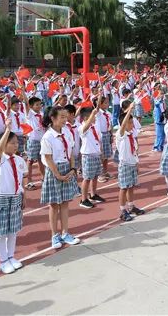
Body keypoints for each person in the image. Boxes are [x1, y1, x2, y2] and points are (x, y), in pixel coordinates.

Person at [40, 106, 81, 248]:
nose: (65, 119)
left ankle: (65, 233)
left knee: (65, 203)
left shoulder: (67, 132)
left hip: (67, 168)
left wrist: (72, 168)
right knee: (54, 205)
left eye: (66, 116)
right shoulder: (47, 137)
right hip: (54, 171)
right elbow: (48, 158)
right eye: (62, 117)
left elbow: (70, 153)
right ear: (53, 118)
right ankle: (54, 236)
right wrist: (58, 175)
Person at [0, 126, 27, 275]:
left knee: (13, 230)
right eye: (12, 143)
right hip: (2, 198)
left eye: (17, 142)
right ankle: (3, 260)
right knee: (2, 231)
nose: (16, 145)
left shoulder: (19, 159)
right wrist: (7, 130)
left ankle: (11, 256)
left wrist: (23, 195)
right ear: (3, 144)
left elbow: (21, 180)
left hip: (15, 197)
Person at [114, 100, 146, 221]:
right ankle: (123, 210)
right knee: (124, 187)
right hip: (125, 165)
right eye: (130, 122)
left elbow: (134, 150)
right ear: (124, 123)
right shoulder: (120, 134)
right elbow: (122, 125)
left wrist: (137, 162)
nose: (132, 124)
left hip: (132, 163)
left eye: (132, 122)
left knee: (131, 186)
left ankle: (131, 206)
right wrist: (129, 110)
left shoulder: (131, 133)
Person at [78, 97, 106, 210]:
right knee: (87, 177)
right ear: (86, 118)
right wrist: (92, 114)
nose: (94, 118)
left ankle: (93, 194)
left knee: (95, 176)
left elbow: (98, 140)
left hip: (96, 154)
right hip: (88, 155)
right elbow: (85, 127)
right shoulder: (82, 128)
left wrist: (101, 152)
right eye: (92, 116)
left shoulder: (94, 126)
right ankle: (83, 199)